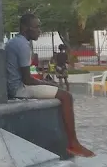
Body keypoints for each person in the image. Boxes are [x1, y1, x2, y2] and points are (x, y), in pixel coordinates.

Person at [5, 13, 94, 158]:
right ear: (25, 27)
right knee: (66, 97)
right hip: (19, 89)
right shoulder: (22, 45)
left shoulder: (14, 42)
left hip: (13, 86)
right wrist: (47, 83)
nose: (39, 30)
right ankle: (73, 143)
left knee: (60, 92)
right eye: (36, 27)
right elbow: (27, 79)